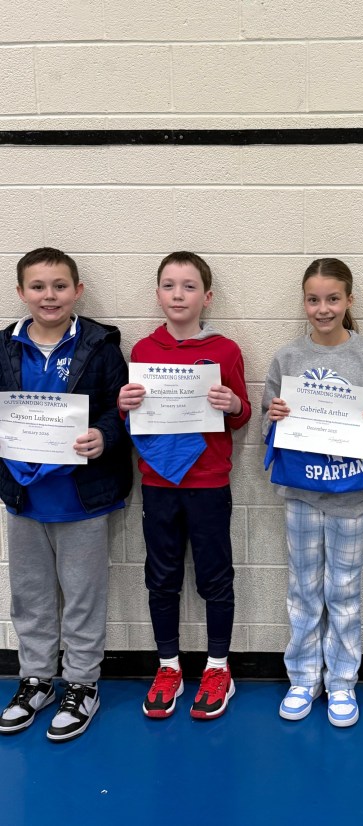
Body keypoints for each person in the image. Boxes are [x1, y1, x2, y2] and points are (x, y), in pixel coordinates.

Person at [262, 258, 363, 727]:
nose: (323, 308)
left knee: (343, 591)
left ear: (349, 301)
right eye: (314, 299)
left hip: (351, 494)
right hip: (301, 492)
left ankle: (341, 682)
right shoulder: (287, 357)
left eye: (333, 299)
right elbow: (268, 419)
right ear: (304, 302)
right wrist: (276, 416)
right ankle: (303, 678)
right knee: (304, 591)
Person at [0, 247, 132, 742]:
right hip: (24, 496)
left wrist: (105, 436)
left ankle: (82, 683)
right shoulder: (5, 347)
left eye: (59, 286)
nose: (48, 296)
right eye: (38, 287)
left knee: (82, 596)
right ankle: (35, 678)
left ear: (77, 291)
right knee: (30, 597)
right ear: (21, 294)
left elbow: (120, 411)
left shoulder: (99, 345)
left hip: (82, 497)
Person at [118, 251, 250, 721]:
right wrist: (124, 404)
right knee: (162, 576)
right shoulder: (143, 351)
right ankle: (168, 665)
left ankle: (218, 667)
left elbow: (242, 415)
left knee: (215, 575)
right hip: (157, 481)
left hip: (209, 481)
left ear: (207, 297)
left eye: (189, 286)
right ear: (157, 294)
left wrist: (233, 402)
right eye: (170, 285)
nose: (179, 294)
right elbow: (132, 418)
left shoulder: (226, 351)